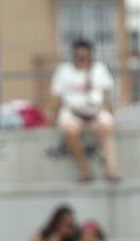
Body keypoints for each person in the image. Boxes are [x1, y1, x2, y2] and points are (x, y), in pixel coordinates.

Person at [50, 38, 119, 182]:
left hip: (95, 112)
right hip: (73, 113)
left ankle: (111, 170)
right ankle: (84, 170)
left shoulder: (99, 69)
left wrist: (112, 114)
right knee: (70, 130)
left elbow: (106, 95)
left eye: (84, 56)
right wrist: (52, 119)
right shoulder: (64, 71)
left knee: (107, 126)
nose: (81, 59)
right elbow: (57, 98)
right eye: (78, 56)